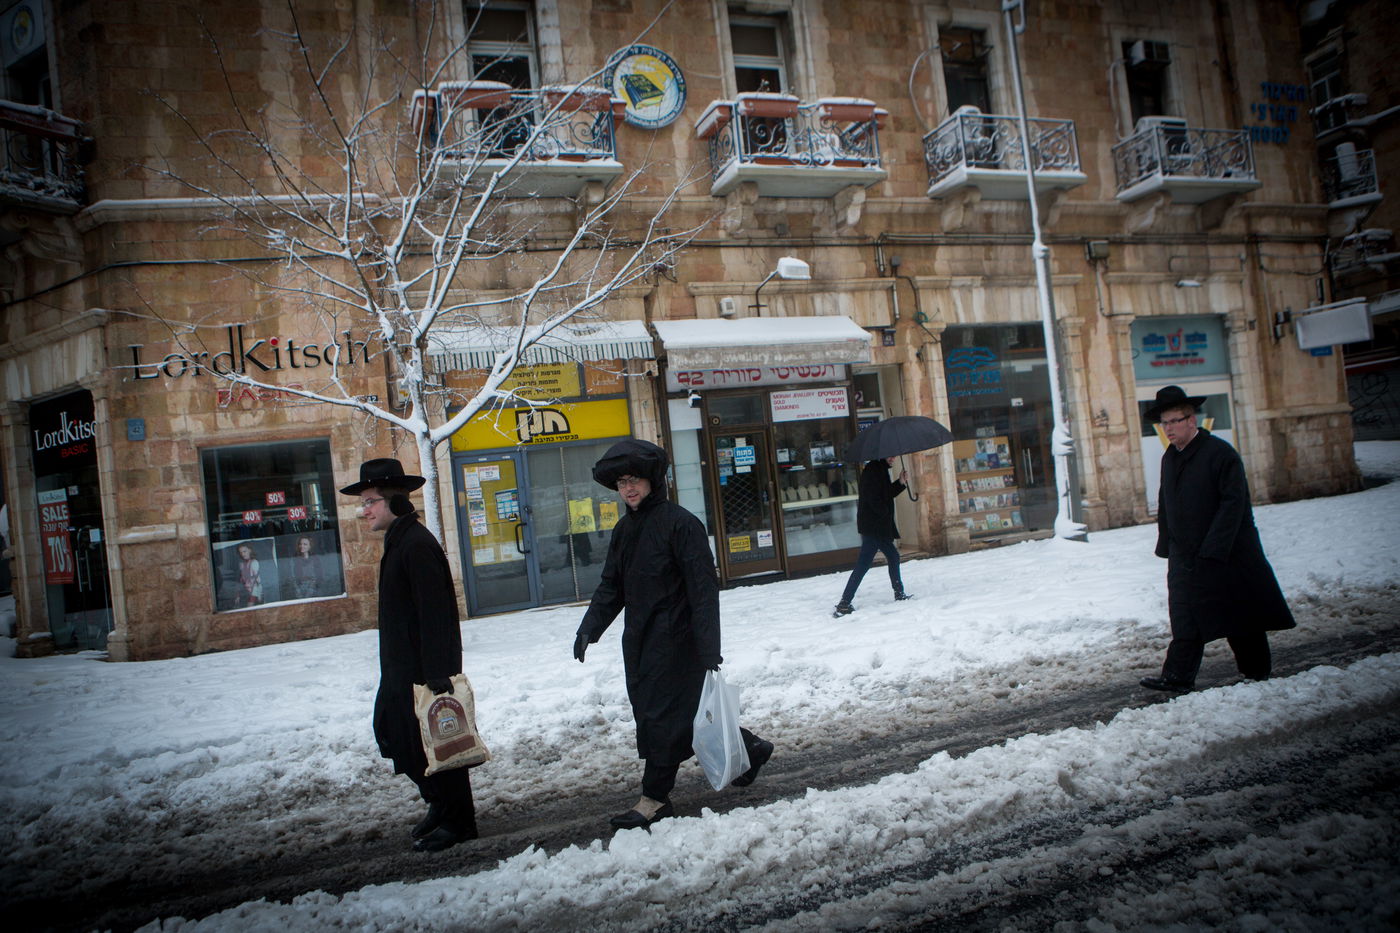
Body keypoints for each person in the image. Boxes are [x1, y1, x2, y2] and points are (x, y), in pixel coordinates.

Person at [573, 438, 773, 830]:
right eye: (621, 483)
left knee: (664, 720)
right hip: (641, 641)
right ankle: (750, 748)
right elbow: (612, 586)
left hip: (680, 642)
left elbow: (703, 591)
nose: (628, 489)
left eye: (635, 480)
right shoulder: (623, 531)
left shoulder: (682, 524)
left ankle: (654, 799)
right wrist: (589, 629)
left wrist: (708, 648)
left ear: (652, 480)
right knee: (678, 717)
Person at [341, 457, 477, 852]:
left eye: (370, 502)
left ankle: (459, 821)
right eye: (363, 503)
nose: (364, 510)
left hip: (425, 671)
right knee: (397, 737)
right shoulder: (399, 540)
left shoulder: (416, 544)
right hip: (401, 669)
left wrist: (439, 675)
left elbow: (437, 614)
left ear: (395, 503)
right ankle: (437, 803)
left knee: (441, 745)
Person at [1140, 385, 1296, 693]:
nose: (1168, 428)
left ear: (1191, 419)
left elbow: (1233, 505)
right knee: (1184, 613)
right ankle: (1178, 676)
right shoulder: (1170, 457)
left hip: (1225, 553)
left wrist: (1214, 549)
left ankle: (1256, 672)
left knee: (1238, 613)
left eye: (1174, 421)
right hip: (1184, 553)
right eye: (1164, 422)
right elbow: (1166, 502)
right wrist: (1167, 544)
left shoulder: (1220, 454)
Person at [834, 457, 911, 616]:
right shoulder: (872, 471)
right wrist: (884, 514)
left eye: (894, 456)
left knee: (890, 557)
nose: (893, 459)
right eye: (890, 456)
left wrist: (900, 482)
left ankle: (899, 593)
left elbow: (886, 494)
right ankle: (844, 603)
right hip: (874, 526)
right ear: (882, 455)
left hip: (876, 526)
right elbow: (873, 499)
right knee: (867, 563)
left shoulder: (880, 470)